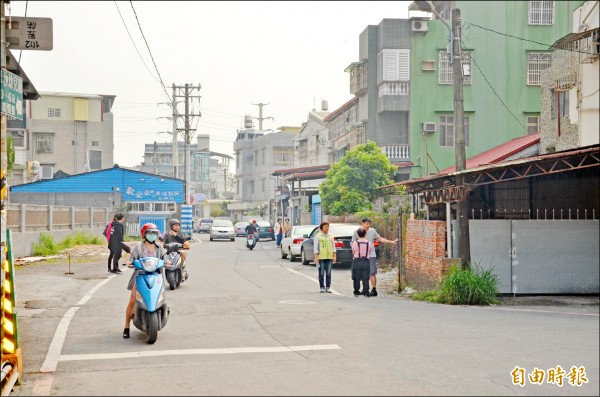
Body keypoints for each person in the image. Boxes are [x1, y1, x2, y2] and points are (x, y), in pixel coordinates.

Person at [123, 223, 169, 339]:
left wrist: (167, 262)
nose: (152, 235)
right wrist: (130, 263)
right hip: (140, 276)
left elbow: (166, 259)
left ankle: (164, 312)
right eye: (150, 233)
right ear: (144, 234)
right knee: (133, 300)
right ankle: (126, 326)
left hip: (156, 277)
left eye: (154, 233)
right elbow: (132, 260)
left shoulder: (160, 248)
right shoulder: (138, 248)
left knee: (161, 298)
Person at [351, 217, 398, 297]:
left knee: (372, 272)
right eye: (367, 224)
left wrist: (390, 242)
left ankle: (374, 289)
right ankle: (364, 289)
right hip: (361, 257)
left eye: (369, 224)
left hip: (371, 255)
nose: (368, 225)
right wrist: (354, 255)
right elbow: (353, 243)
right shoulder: (357, 232)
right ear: (363, 223)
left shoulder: (372, 231)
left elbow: (379, 238)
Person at [313, 221, 336, 293]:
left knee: (328, 273)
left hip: (329, 257)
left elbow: (333, 247)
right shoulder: (318, 236)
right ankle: (322, 287)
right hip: (321, 257)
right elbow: (315, 247)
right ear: (322, 227)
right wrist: (316, 257)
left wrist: (334, 256)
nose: (327, 228)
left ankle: (328, 287)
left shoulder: (331, 236)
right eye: (325, 226)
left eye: (328, 226)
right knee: (321, 273)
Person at [351, 227, 374, 297]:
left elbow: (353, 251)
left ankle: (356, 292)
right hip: (366, 261)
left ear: (358, 234)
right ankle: (366, 292)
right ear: (365, 234)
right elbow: (369, 251)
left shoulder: (355, 243)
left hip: (357, 260)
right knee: (366, 277)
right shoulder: (369, 243)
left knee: (356, 277)